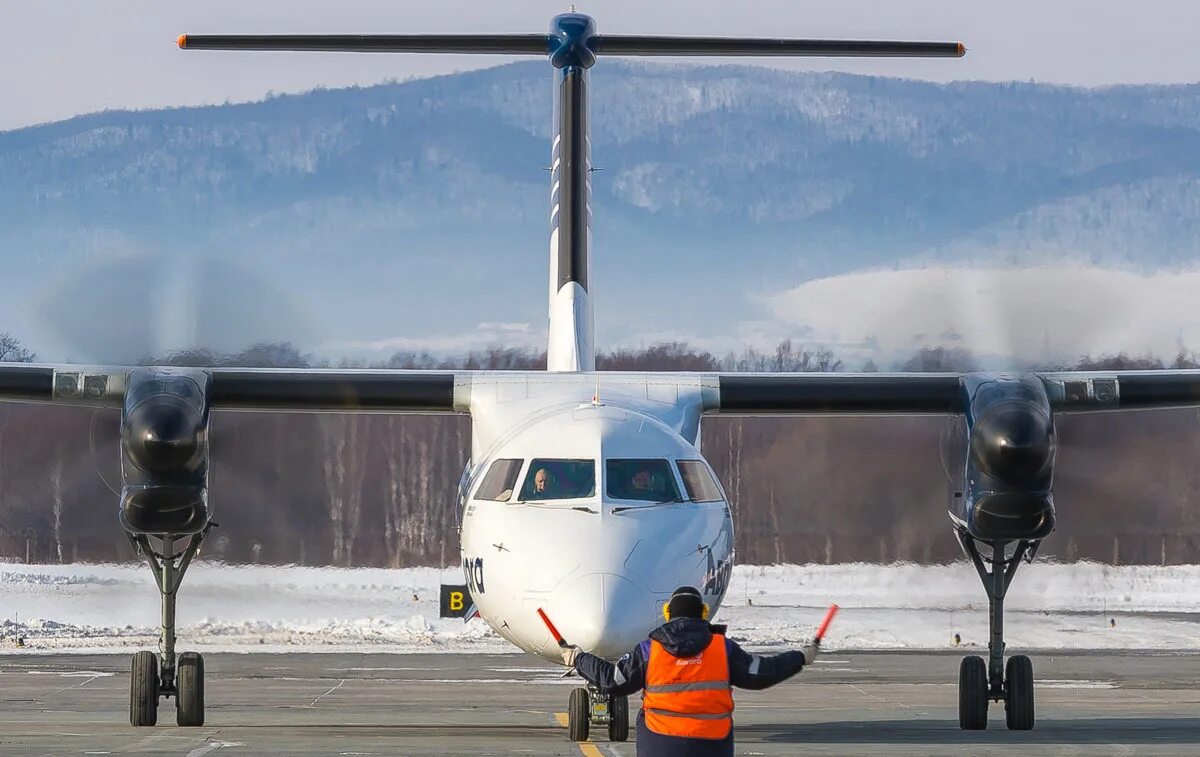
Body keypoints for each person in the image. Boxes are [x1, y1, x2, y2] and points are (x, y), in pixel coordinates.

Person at [562, 586, 817, 756]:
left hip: (660, 743)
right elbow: (762, 674)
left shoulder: (650, 650)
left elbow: (613, 681)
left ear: (667, 614)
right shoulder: (723, 649)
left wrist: (579, 658)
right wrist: (799, 657)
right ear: (703, 614)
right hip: (712, 744)